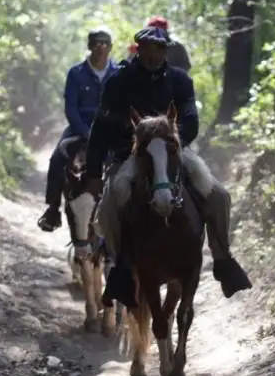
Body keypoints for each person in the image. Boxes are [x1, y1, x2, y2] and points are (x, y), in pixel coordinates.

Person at [86, 25, 251, 309]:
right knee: (110, 205)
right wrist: (92, 172)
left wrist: (169, 143)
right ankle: (120, 268)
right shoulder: (118, 81)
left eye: (160, 49)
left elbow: (191, 121)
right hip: (130, 155)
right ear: (139, 49)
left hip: (174, 150)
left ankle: (223, 260)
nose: (154, 54)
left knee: (220, 196)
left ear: (166, 51)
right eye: (148, 49)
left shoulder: (180, 81)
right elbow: (100, 128)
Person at [37, 27, 120, 232]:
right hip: (79, 129)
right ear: (89, 46)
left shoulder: (119, 74)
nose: (100, 47)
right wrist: (87, 134)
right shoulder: (76, 73)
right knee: (57, 158)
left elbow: (121, 106)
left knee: (128, 161)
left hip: (109, 131)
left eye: (105, 43)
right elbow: (71, 108)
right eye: (96, 43)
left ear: (110, 48)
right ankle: (53, 209)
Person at [125, 16, 192, 73]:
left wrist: (169, 74)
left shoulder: (178, 48)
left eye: (160, 47)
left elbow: (185, 67)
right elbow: (128, 66)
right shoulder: (138, 49)